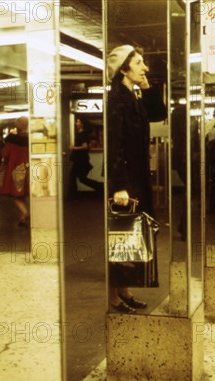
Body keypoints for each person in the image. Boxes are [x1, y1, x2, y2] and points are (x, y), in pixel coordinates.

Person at [106, 45, 167, 313]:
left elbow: (158, 114)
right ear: (123, 69)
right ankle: (113, 298)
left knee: (129, 236)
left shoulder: (132, 94)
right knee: (120, 237)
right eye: (140, 63)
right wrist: (119, 185)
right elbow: (114, 143)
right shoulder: (118, 99)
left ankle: (124, 291)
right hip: (125, 180)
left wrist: (148, 84)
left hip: (136, 177)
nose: (145, 68)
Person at [0, 116, 30, 227]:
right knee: (22, 194)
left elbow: (4, 154)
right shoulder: (29, 139)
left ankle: (25, 212)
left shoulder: (11, 140)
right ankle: (22, 218)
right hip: (27, 169)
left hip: (15, 169)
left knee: (14, 195)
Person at [68, 117, 103, 200]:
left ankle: (73, 196)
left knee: (73, 177)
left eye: (78, 121)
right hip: (80, 159)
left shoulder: (82, 134)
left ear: (82, 124)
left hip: (80, 160)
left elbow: (85, 146)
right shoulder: (81, 133)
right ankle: (100, 187)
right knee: (82, 178)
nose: (76, 123)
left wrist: (74, 148)